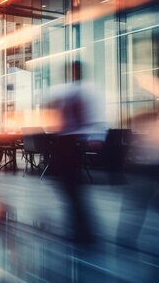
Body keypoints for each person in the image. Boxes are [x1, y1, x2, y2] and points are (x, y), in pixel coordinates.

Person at [48, 60, 106, 244]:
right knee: (70, 185)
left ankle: (83, 230)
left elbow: (90, 116)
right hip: (67, 141)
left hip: (70, 142)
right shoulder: (73, 91)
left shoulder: (81, 91)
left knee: (71, 185)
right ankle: (81, 228)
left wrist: (95, 137)